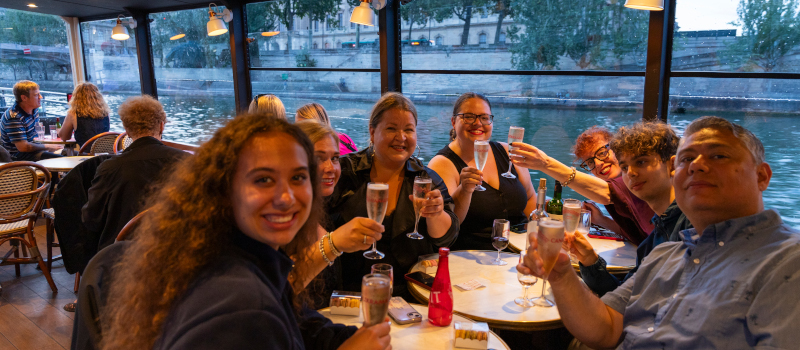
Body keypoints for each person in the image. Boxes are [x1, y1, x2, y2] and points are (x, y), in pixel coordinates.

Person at [100, 115, 390, 350]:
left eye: (298, 177)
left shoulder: (226, 253)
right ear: (225, 189)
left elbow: (297, 322)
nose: (286, 197)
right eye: (263, 179)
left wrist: (346, 338)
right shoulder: (242, 308)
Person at [518, 116, 800, 349]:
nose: (696, 166)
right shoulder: (666, 252)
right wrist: (561, 275)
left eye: (719, 156)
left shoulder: (787, 262)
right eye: (686, 159)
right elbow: (606, 326)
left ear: (762, 176)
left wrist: (546, 164)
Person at [325, 92, 459, 301]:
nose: (401, 137)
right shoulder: (345, 172)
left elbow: (447, 238)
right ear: (372, 132)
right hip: (351, 293)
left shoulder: (426, 179)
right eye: (391, 128)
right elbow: (316, 220)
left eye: (408, 130)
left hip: (412, 293)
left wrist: (436, 213)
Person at [570, 122, 691, 297]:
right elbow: (624, 295)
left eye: (641, 162)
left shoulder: (692, 225)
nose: (631, 173)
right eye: (625, 167)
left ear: (672, 165)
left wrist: (545, 164)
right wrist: (589, 260)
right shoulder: (655, 236)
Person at [427, 92, 536, 251]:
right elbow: (446, 225)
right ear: (453, 122)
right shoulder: (442, 164)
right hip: (473, 257)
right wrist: (464, 190)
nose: (478, 123)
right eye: (469, 117)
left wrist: (533, 237)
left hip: (518, 252)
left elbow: (530, 196)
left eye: (484, 118)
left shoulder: (507, 151)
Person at [511, 126, 655, 245]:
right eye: (590, 162)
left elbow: (607, 193)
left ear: (617, 147)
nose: (598, 163)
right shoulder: (617, 190)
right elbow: (634, 230)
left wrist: (546, 164)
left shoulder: (631, 180)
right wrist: (601, 220)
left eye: (602, 153)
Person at [293, 120, 383, 307]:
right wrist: (333, 244)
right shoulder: (283, 221)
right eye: (319, 158)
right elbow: (278, 288)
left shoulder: (321, 213)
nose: (330, 168)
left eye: (334, 158)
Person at [82, 95, 188, 252]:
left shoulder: (110, 168)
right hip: (179, 249)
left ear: (127, 131)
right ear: (161, 126)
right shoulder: (187, 162)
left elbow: (91, 219)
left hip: (124, 256)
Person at [0, 80, 62, 160]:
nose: (41, 97)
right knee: (63, 160)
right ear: (24, 98)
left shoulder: (34, 110)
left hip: (34, 151)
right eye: (37, 95)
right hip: (20, 157)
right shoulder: (14, 117)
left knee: (74, 156)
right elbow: (23, 147)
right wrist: (47, 146)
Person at [58, 82, 111, 147]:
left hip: (86, 155)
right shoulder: (106, 113)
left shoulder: (73, 114)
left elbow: (64, 137)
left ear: (76, 97)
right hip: (105, 155)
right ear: (98, 96)